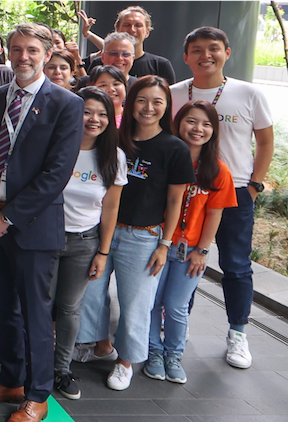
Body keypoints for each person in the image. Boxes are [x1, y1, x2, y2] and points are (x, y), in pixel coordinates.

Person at [0, 24, 83, 422]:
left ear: (47, 54)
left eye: (32, 50)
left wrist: (7, 216)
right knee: (1, 309)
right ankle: (10, 381)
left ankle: (38, 395)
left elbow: (56, 174)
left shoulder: (65, 104)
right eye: (16, 49)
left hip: (32, 225)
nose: (23, 57)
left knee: (35, 312)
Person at [75, 76, 191, 392]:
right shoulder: (115, 140)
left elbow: (175, 199)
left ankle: (126, 361)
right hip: (100, 231)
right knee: (92, 292)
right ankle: (97, 344)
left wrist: (165, 244)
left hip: (143, 236)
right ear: (129, 102)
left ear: (167, 106)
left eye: (157, 102)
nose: (148, 108)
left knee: (136, 302)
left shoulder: (174, 147)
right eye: (142, 100)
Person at [169, 26, 274, 370]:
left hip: (236, 190)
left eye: (213, 48)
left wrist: (255, 184)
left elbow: (265, 141)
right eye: (196, 50)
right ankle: (177, 328)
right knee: (183, 260)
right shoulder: (172, 93)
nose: (205, 56)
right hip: (184, 191)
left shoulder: (248, 93)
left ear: (227, 52)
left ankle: (238, 333)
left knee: (236, 264)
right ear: (186, 57)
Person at [145, 99, 237, 386]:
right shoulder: (163, 157)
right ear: (178, 122)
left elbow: (214, 214)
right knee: (152, 302)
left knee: (175, 306)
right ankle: (152, 352)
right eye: (192, 121)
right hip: (155, 243)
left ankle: (173, 353)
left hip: (190, 251)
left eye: (207, 124)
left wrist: (203, 250)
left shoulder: (217, 170)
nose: (198, 129)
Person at [51, 87, 126, 401]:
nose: (94, 119)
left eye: (102, 114)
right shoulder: (55, 147)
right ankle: (33, 364)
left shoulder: (113, 157)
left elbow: (110, 208)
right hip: (46, 239)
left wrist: (103, 251)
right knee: (40, 306)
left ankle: (60, 368)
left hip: (85, 242)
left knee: (69, 309)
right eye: (87, 111)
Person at [80, 6, 176, 83]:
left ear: (147, 32)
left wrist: (88, 35)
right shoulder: (99, 63)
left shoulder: (160, 65)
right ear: (117, 29)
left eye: (138, 25)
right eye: (127, 25)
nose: (132, 30)